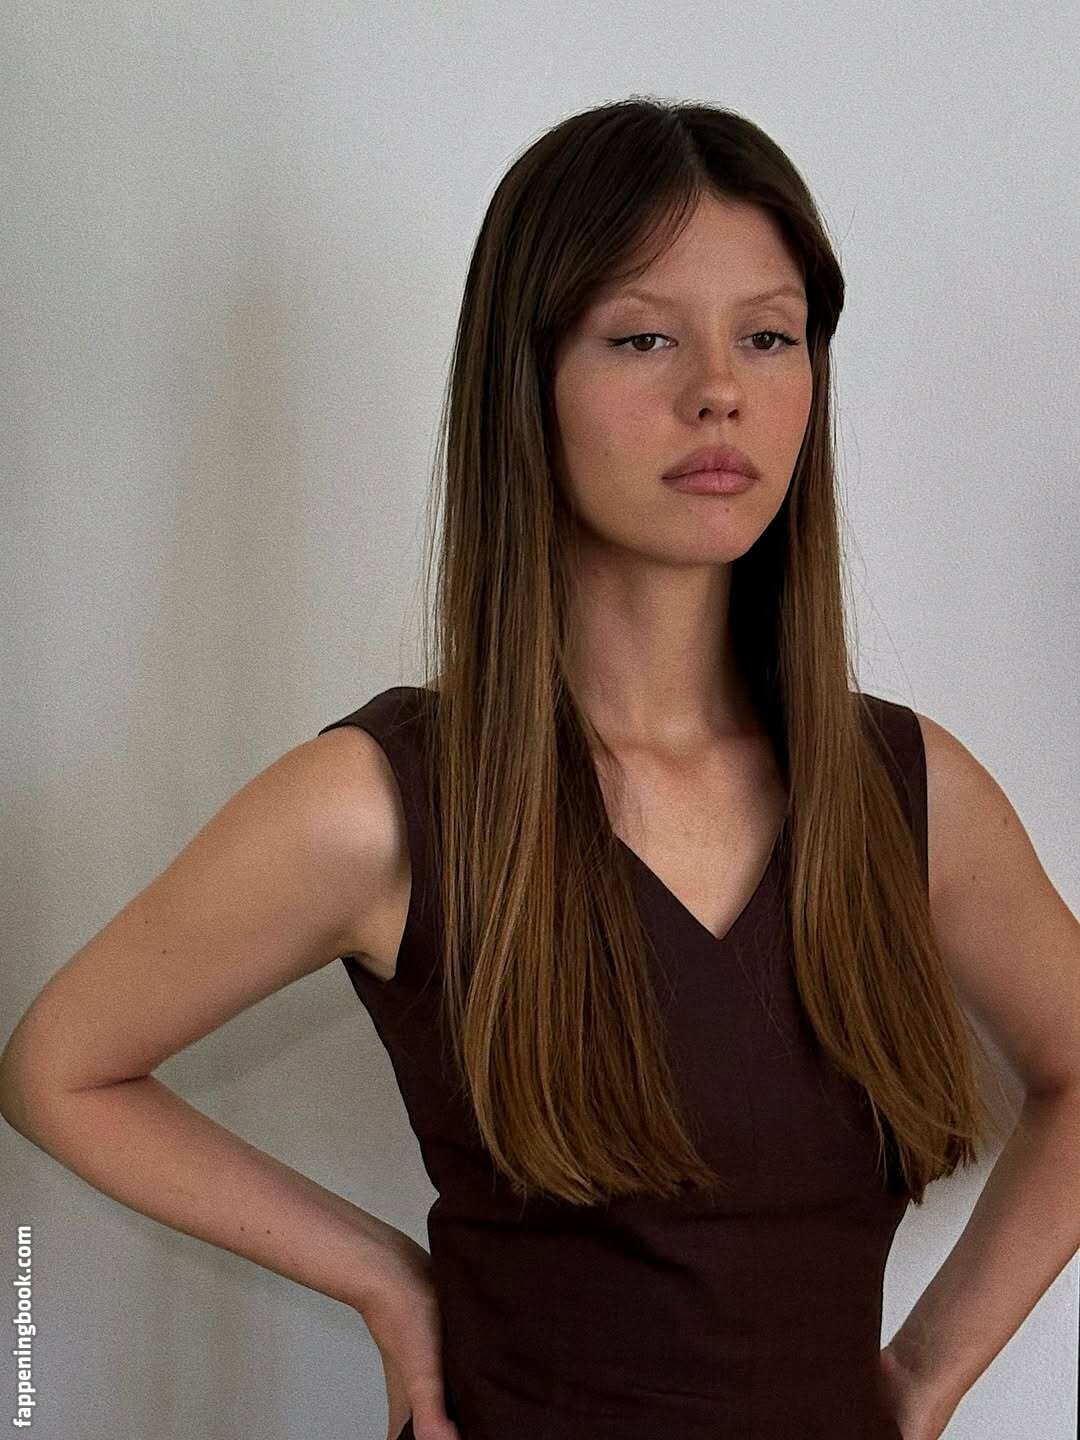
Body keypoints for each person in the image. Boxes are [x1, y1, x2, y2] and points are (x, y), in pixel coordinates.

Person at [2, 96, 1078, 1440]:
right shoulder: (382, 806)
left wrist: (924, 1379)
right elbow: (61, 1069)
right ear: (528, 380)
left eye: (768, 336)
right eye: (642, 337)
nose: (720, 389)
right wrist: (384, 1278)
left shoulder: (909, 794)